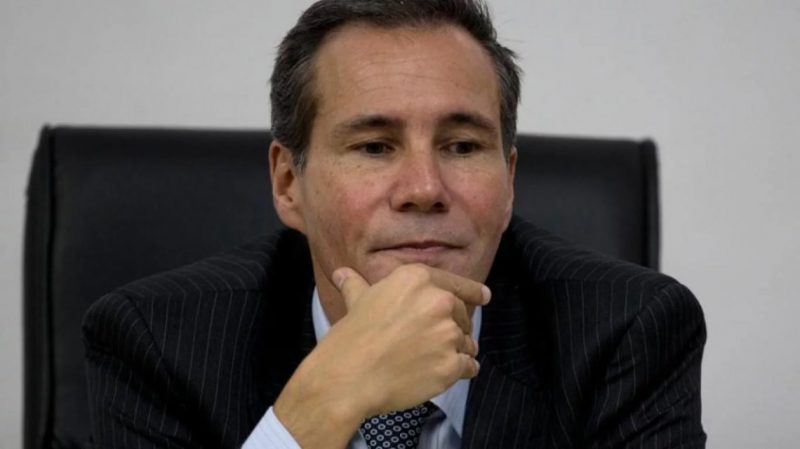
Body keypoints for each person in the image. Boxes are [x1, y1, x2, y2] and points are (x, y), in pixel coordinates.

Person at [82, 0, 707, 448]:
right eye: (374, 147)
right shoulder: (158, 342)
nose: (425, 190)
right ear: (288, 183)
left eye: (462, 146)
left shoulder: (626, 332)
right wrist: (326, 401)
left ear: (509, 180)